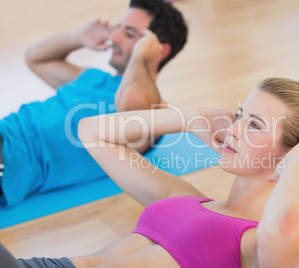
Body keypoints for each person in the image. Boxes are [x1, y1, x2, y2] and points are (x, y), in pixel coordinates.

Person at [2, 73, 299, 267]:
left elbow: (286, 229)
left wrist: (298, 163)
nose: (234, 128)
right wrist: (191, 117)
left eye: (255, 125)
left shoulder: (256, 245)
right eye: (239, 115)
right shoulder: (185, 197)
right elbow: (91, 132)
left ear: (290, 152)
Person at [0, 0, 188, 207]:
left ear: (159, 50)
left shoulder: (155, 108)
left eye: (130, 34)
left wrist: (141, 56)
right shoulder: (94, 77)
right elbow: (36, 59)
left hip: (9, 163)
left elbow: (131, 101)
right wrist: (79, 37)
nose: (115, 37)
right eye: (119, 28)